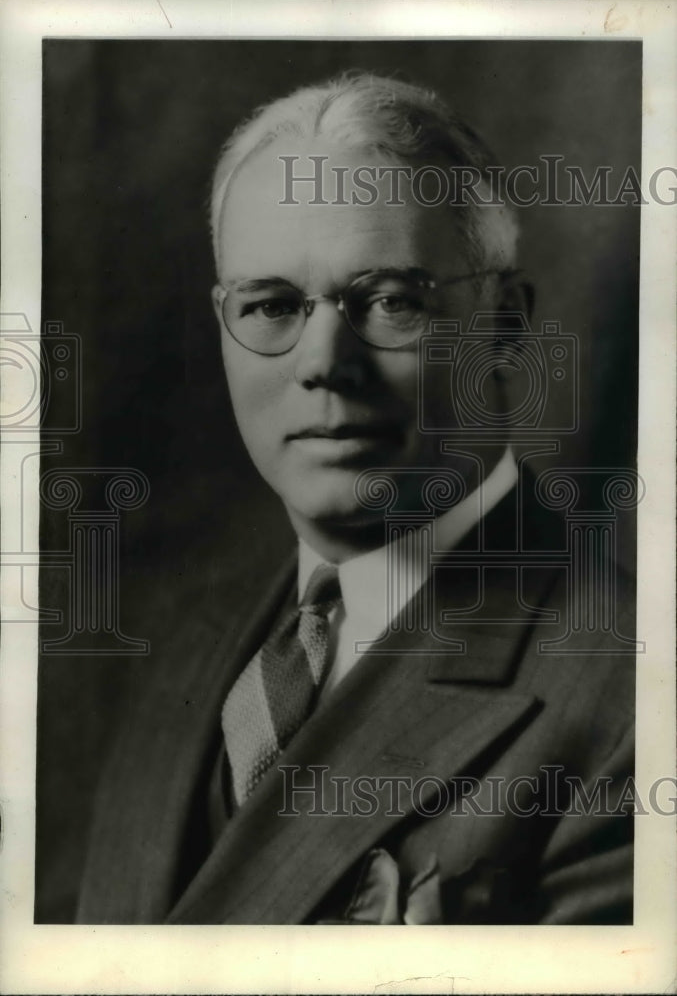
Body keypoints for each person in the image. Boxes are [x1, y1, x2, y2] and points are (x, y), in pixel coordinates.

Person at [72, 73, 634, 924]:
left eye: (388, 301)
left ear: (508, 324)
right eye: (269, 307)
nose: (323, 361)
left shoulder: (631, 696)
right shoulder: (185, 648)